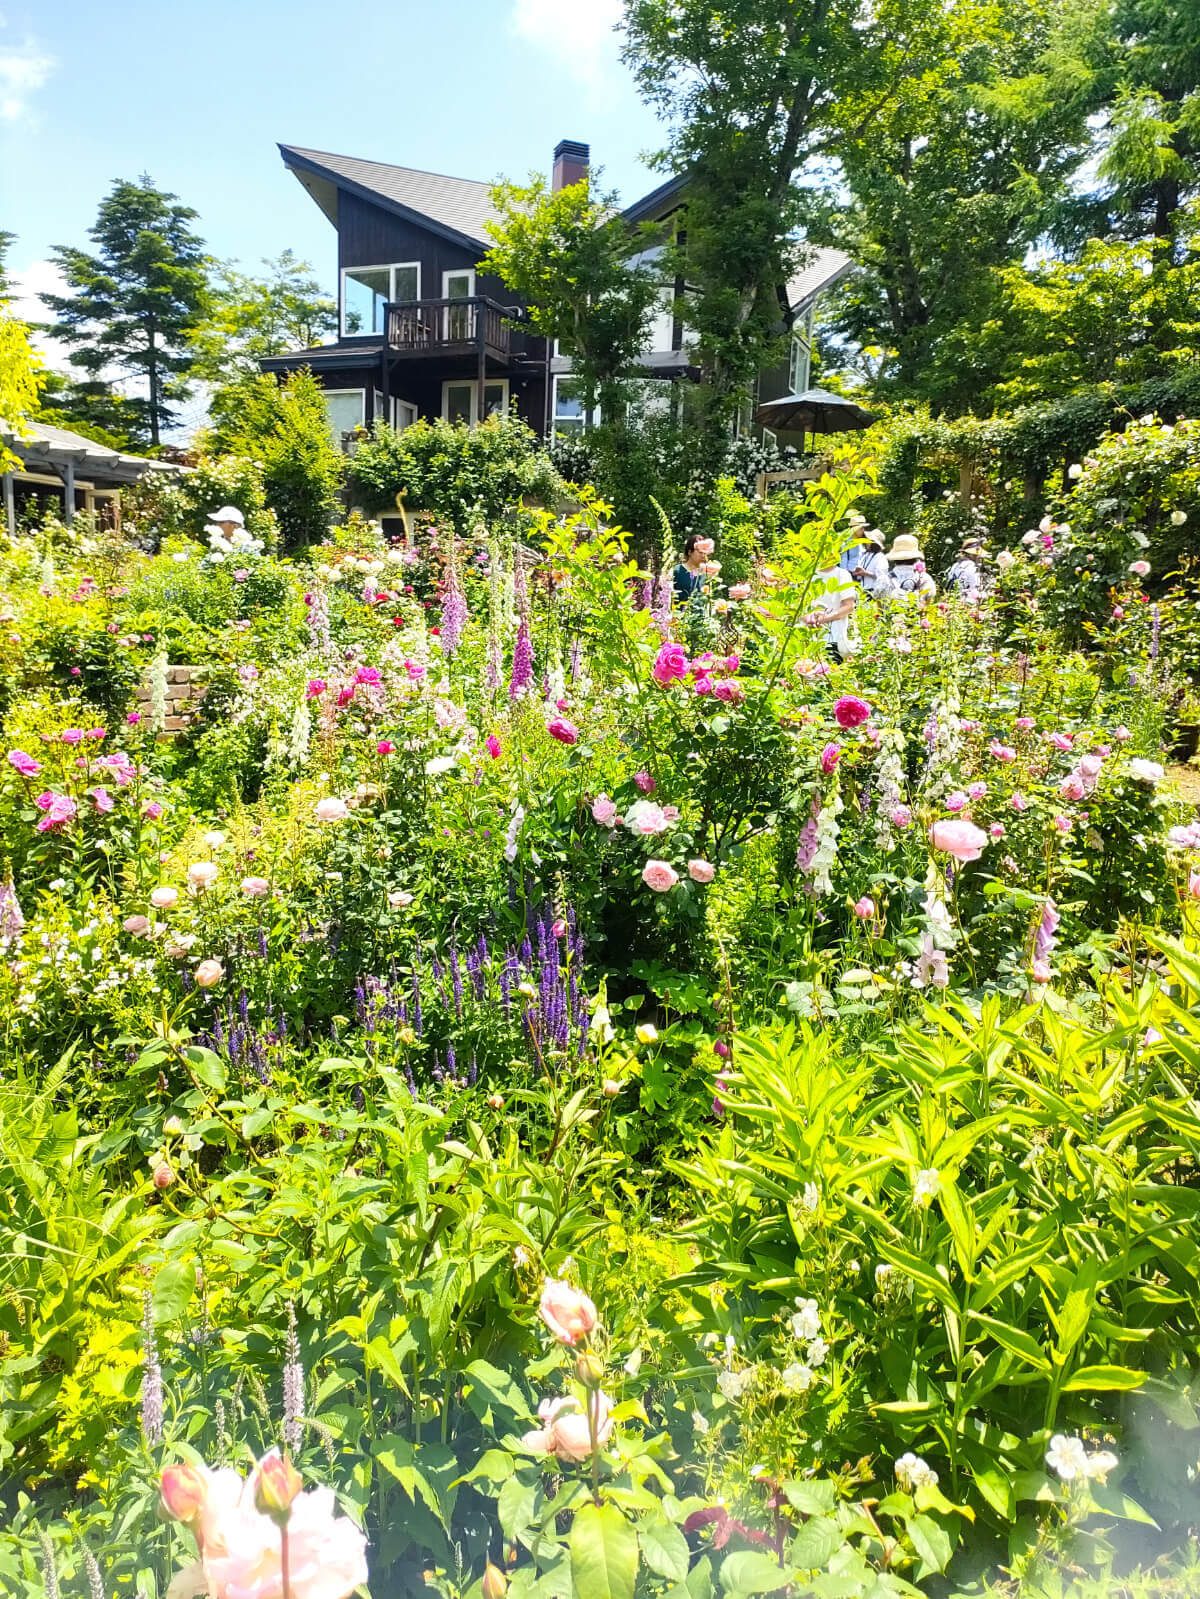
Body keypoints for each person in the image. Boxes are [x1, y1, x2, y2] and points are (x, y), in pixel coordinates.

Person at [804, 559, 858, 659]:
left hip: (833, 635)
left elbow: (849, 606)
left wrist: (824, 618)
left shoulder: (842, 574)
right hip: (807, 633)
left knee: (831, 667)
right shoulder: (806, 573)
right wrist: (807, 617)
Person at [885, 533, 937, 601]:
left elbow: (879, 607)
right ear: (915, 558)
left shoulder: (884, 579)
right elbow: (928, 604)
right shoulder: (924, 579)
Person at [848, 529, 889, 596]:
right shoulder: (864, 555)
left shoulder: (880, 557)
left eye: (869, 540)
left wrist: (866, 573)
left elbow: (882, 577)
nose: (866, 542)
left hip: (873, 591)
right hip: (860, 591)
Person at [674, 533, 709, 602]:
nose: (703, 555)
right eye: (700, 552)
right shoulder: (677, 571)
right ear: (690, 552)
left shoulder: (706, 574)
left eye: (705, 552)